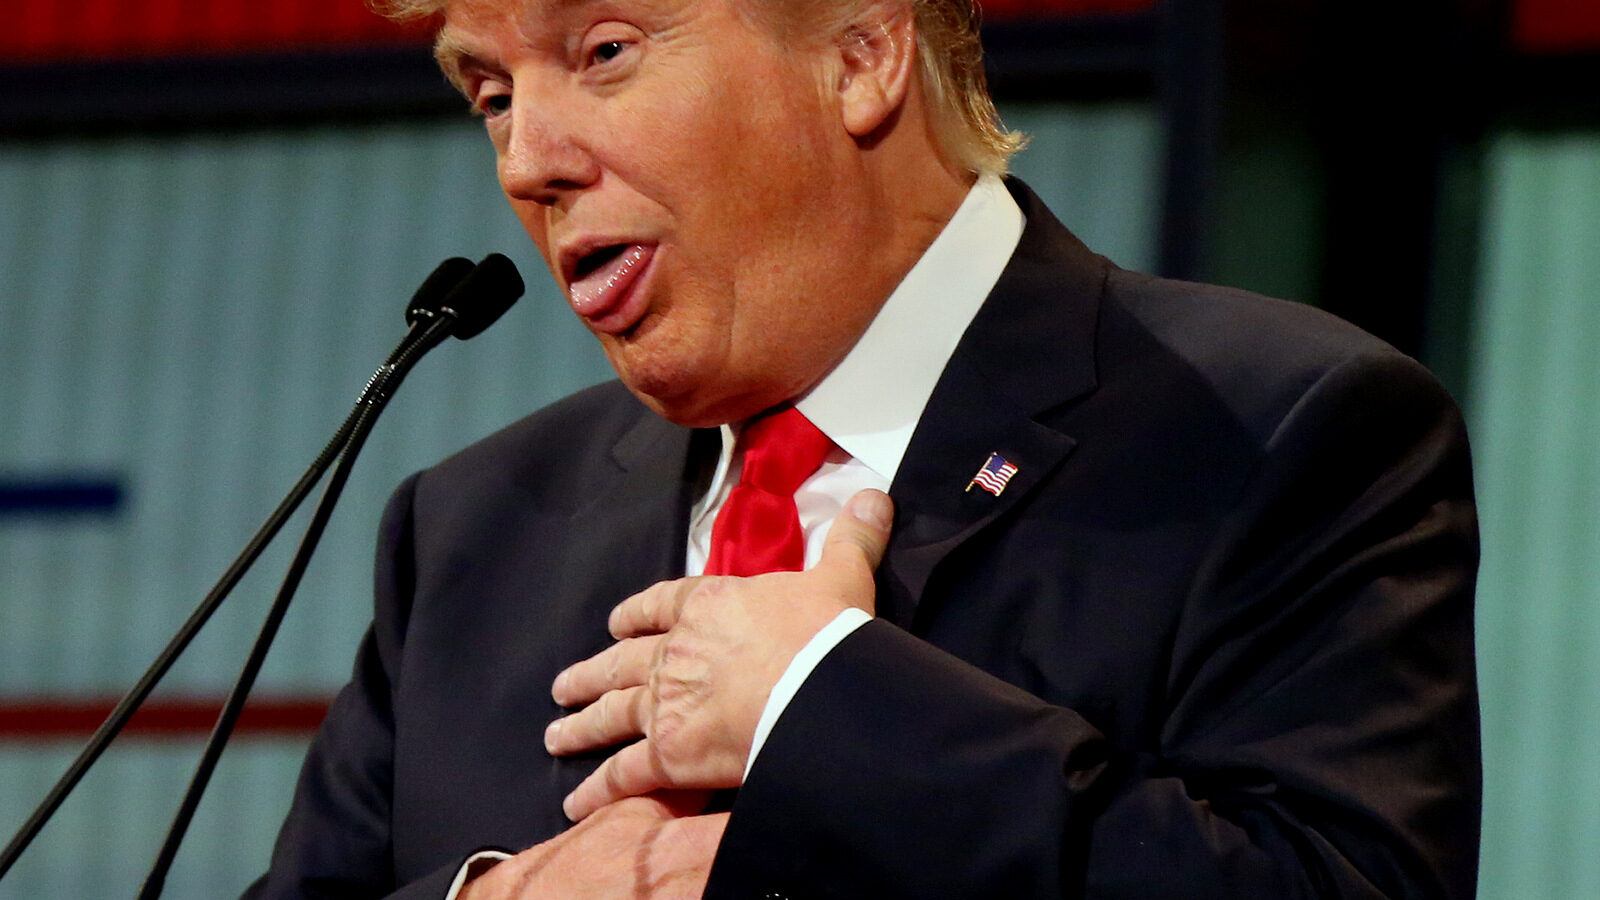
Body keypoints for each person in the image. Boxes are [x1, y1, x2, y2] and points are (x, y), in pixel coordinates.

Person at [248, 0, 1481, 896]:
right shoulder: (470, 528)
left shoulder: (1278, 427)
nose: (529, 162)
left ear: (860, 55)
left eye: (605, 52)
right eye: (492, 94)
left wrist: (819, 705)